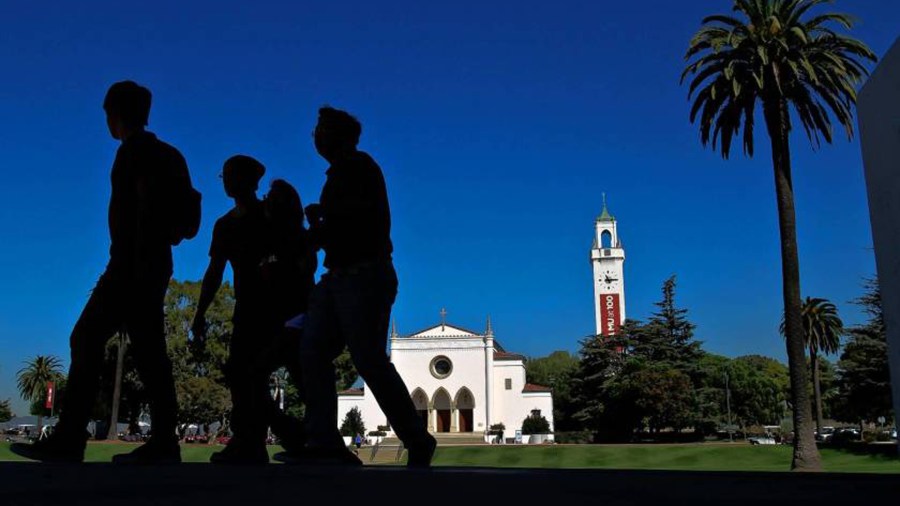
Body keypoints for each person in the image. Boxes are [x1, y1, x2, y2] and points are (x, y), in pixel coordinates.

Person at [12, 81, 187, 464]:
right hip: (152, 263)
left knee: (86, 338)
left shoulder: (133, 154)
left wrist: (126, 261)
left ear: (115, 114)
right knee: (150, 351)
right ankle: (162, 442)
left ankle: (71, 437)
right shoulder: (170, 155)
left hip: (130, 264)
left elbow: (137, 214)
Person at [289, 106, 436, 468]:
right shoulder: (343, 172)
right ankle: (323, 440)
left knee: (367, 359)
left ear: (338, 136)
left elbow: (353, 221)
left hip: (363, 275)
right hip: (340, 275)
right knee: (313, 351)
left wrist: (318, 225)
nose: (315, 137)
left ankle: (416, 438)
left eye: (320, 130)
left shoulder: (357, 168)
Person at [191, 161, 310, 464]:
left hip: (275, 310)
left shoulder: (268, 216)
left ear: (252, 182)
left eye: (234, 177)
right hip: (246, 310)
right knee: (241, 378)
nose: (228, 182)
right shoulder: (225, 225)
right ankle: (255, 440)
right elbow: (214, 271)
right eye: (226, 176)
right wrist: (200, 312)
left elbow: (292, 252)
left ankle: (271, 437)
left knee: (254, 375)